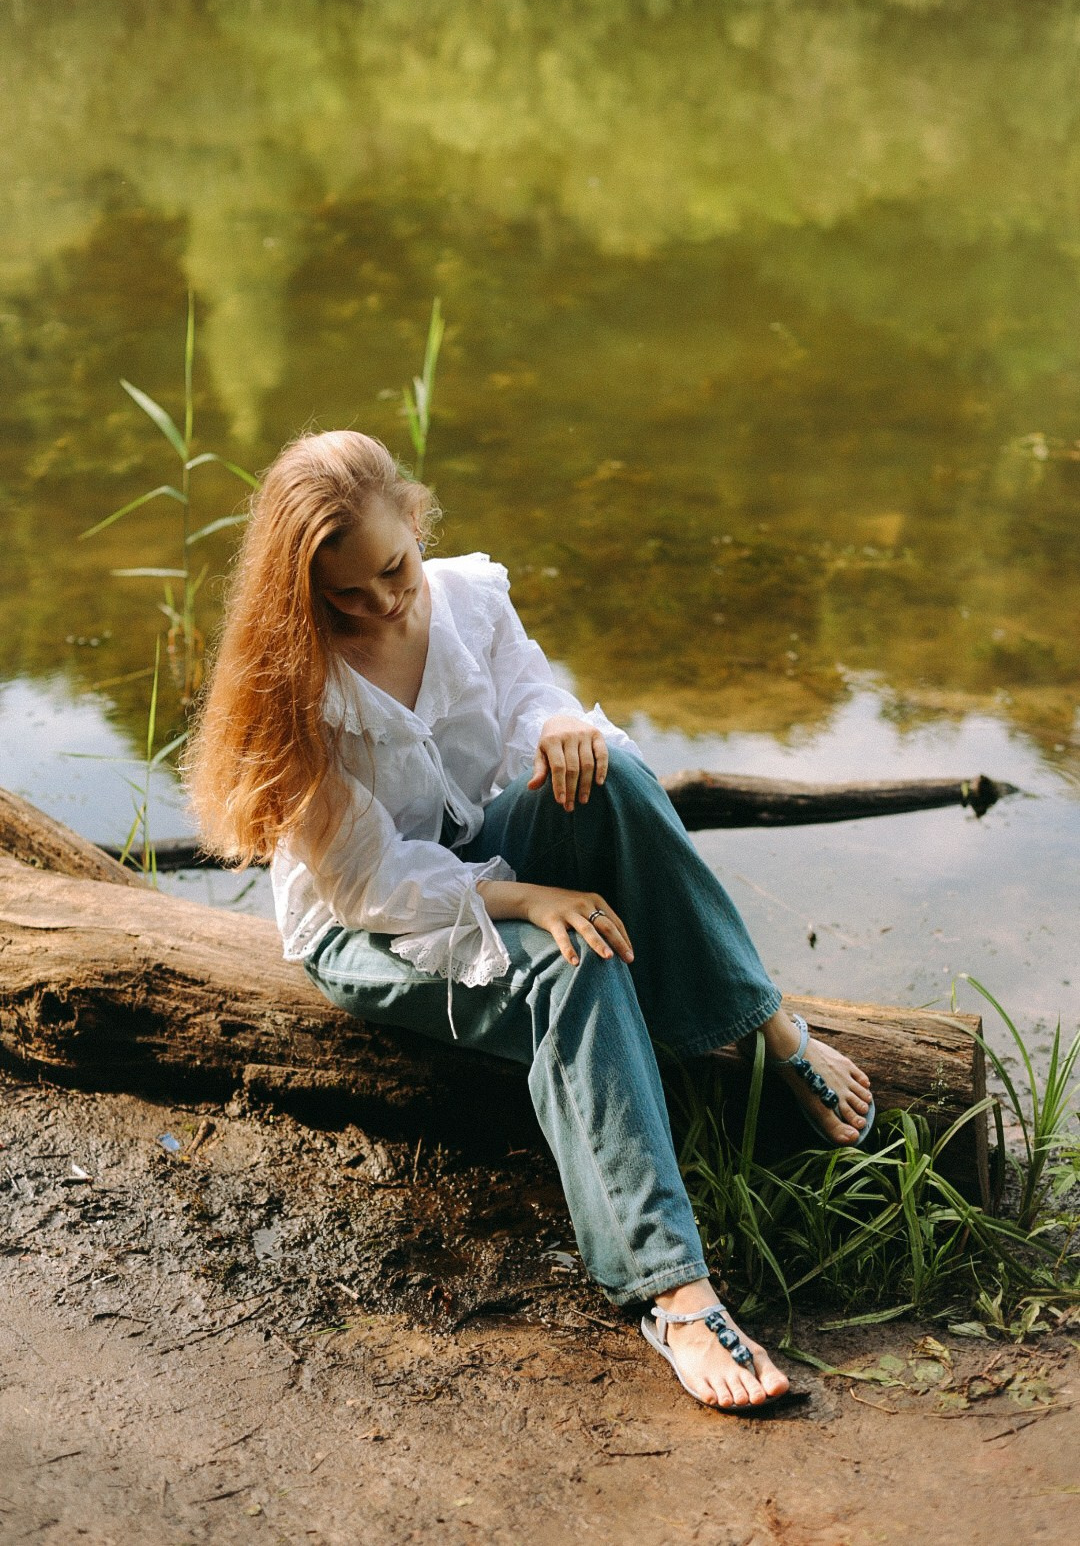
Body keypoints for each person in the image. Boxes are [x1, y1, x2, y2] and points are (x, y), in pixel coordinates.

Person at [186, 429, 874, 1413]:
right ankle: (675, 1292)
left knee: (614, 772)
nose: (383, 602)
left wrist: (558, 727)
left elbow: (529, 701)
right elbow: (373, 885)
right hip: (372, 926)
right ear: (301, 590)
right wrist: (529, 900)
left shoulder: (469, 597)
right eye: (347, 594)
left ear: (415, 522)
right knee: (573, 963)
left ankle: (766, 1024)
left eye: (395, 568)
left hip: (478, 855)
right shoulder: (295, 691)